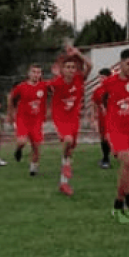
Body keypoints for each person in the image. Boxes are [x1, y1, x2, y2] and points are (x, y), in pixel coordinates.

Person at [97, 49, 129, 223]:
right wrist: (106, 113)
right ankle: (117, 206)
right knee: (126, 162)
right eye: (128, 64)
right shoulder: (110, 82)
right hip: (117, 130)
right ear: (121, 64)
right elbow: (98, 98)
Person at [45, 44, 92, 196]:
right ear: (62, 69)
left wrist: (78, 53)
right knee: (68, 140)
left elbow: (89, 65)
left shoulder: (79, 79)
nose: (71, 70)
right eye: (68, 67)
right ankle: (65, 168)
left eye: (73, 67)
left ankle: (63, 183)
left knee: (70, 147)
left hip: (73, 118)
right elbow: (43, 90)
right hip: (60, 118)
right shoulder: (56, 83)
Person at [7, 64, 48, 176]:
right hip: (23, 119)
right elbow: (11, 98)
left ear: (41, 74)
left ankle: (33, 169)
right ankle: (18, 150)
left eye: (38, 72)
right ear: (29, 74)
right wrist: (10, 114)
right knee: (22, 141)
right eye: (34, 72)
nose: (36, 75)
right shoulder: (21, 86)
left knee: (36, 145)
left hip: (37, 120)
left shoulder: (44, 85)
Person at [91, 67, 113, 169]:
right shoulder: (97, 90)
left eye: (103, 77)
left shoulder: (114, 89)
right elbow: (94, 104)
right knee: (103, 138)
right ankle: (105, 158)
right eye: (100, 77)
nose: (101, 80)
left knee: (109, 137)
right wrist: (93, 118)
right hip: (102, 118)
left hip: (113, 118)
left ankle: (107, 158)